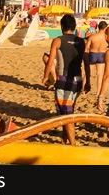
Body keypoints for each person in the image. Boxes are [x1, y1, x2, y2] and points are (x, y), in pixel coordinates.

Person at [42, 14, 89, 145]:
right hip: (77, 80)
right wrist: (88, 80)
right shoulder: (81, 41)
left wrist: (46, 76)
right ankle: (64, 139)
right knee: (66, 110)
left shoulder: (58, 40)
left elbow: (50, 61)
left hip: (64, 80)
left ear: (62, 26)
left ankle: (73, 145)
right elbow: (86, 62)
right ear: (74, 27)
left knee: (68, 115)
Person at [84, 20, 108, 99]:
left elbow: (87, 47)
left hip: (92, 54)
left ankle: (83, 90)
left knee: (88, 73)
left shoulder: (93, 36)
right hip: (101, 54)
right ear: (105, 28)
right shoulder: (106, 37)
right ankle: (98, 93)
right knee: (100, 75)